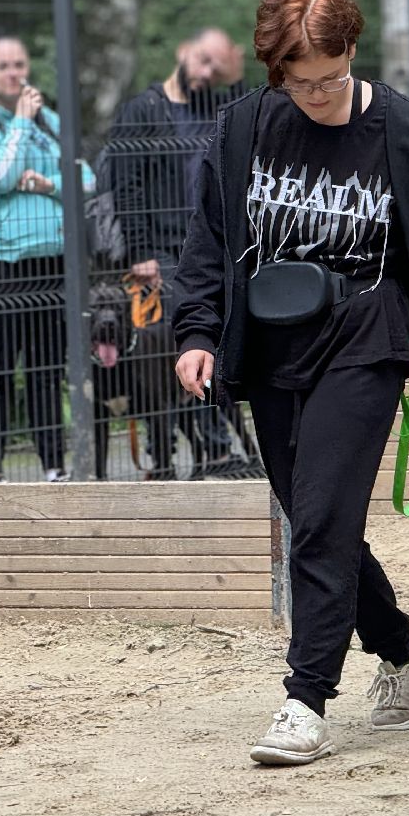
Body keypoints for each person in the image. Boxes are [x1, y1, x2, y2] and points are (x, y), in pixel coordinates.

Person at [172, 0, 409, 765]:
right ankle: (403, 655)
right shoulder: (245, 127)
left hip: (364, 337)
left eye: (329, 75)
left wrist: (405, 299)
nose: (315, 94)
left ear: (353, 51)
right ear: (273, 69)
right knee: (322, 521)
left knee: (317, 519)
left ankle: (304, 700)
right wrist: (195, 332)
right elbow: (210, 240)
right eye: (298, 80)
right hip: (272, 343)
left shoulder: (404, 129)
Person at [109, 28, 258, 479]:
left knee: (214, 341)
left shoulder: (217, 109)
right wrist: (139, 252)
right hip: (160, 250)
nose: (206, 72)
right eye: (201, 60)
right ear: (181, 52)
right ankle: (186, 451)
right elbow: (127, 187)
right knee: (179, 347)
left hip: (211, 246)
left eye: (216, 65)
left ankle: (215, 451)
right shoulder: (143, 110)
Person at [0, 36, 93, 485]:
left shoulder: (48, 119)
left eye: (19, 65)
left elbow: (85, 176)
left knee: (47, 364)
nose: (13, 74)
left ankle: (54, 464)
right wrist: (19, 124)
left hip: (50, 258)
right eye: (2, 66)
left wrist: (46, 184)